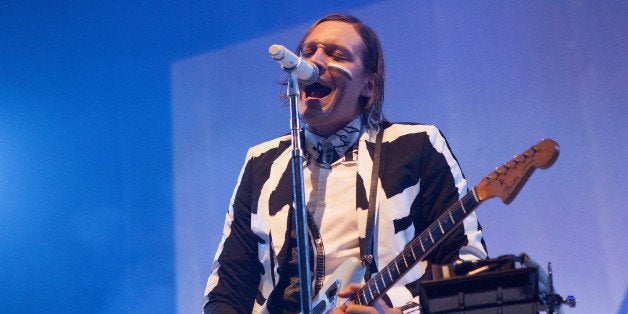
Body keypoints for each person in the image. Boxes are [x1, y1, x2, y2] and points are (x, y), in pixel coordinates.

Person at [203, 13, 487, 313]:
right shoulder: (261, 163)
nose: (314, 63)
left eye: (337, 55)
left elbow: (467, 265)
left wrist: (395, 312)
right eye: (308, 52)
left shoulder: (417, 146)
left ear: (369, 86)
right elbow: (227, 289)